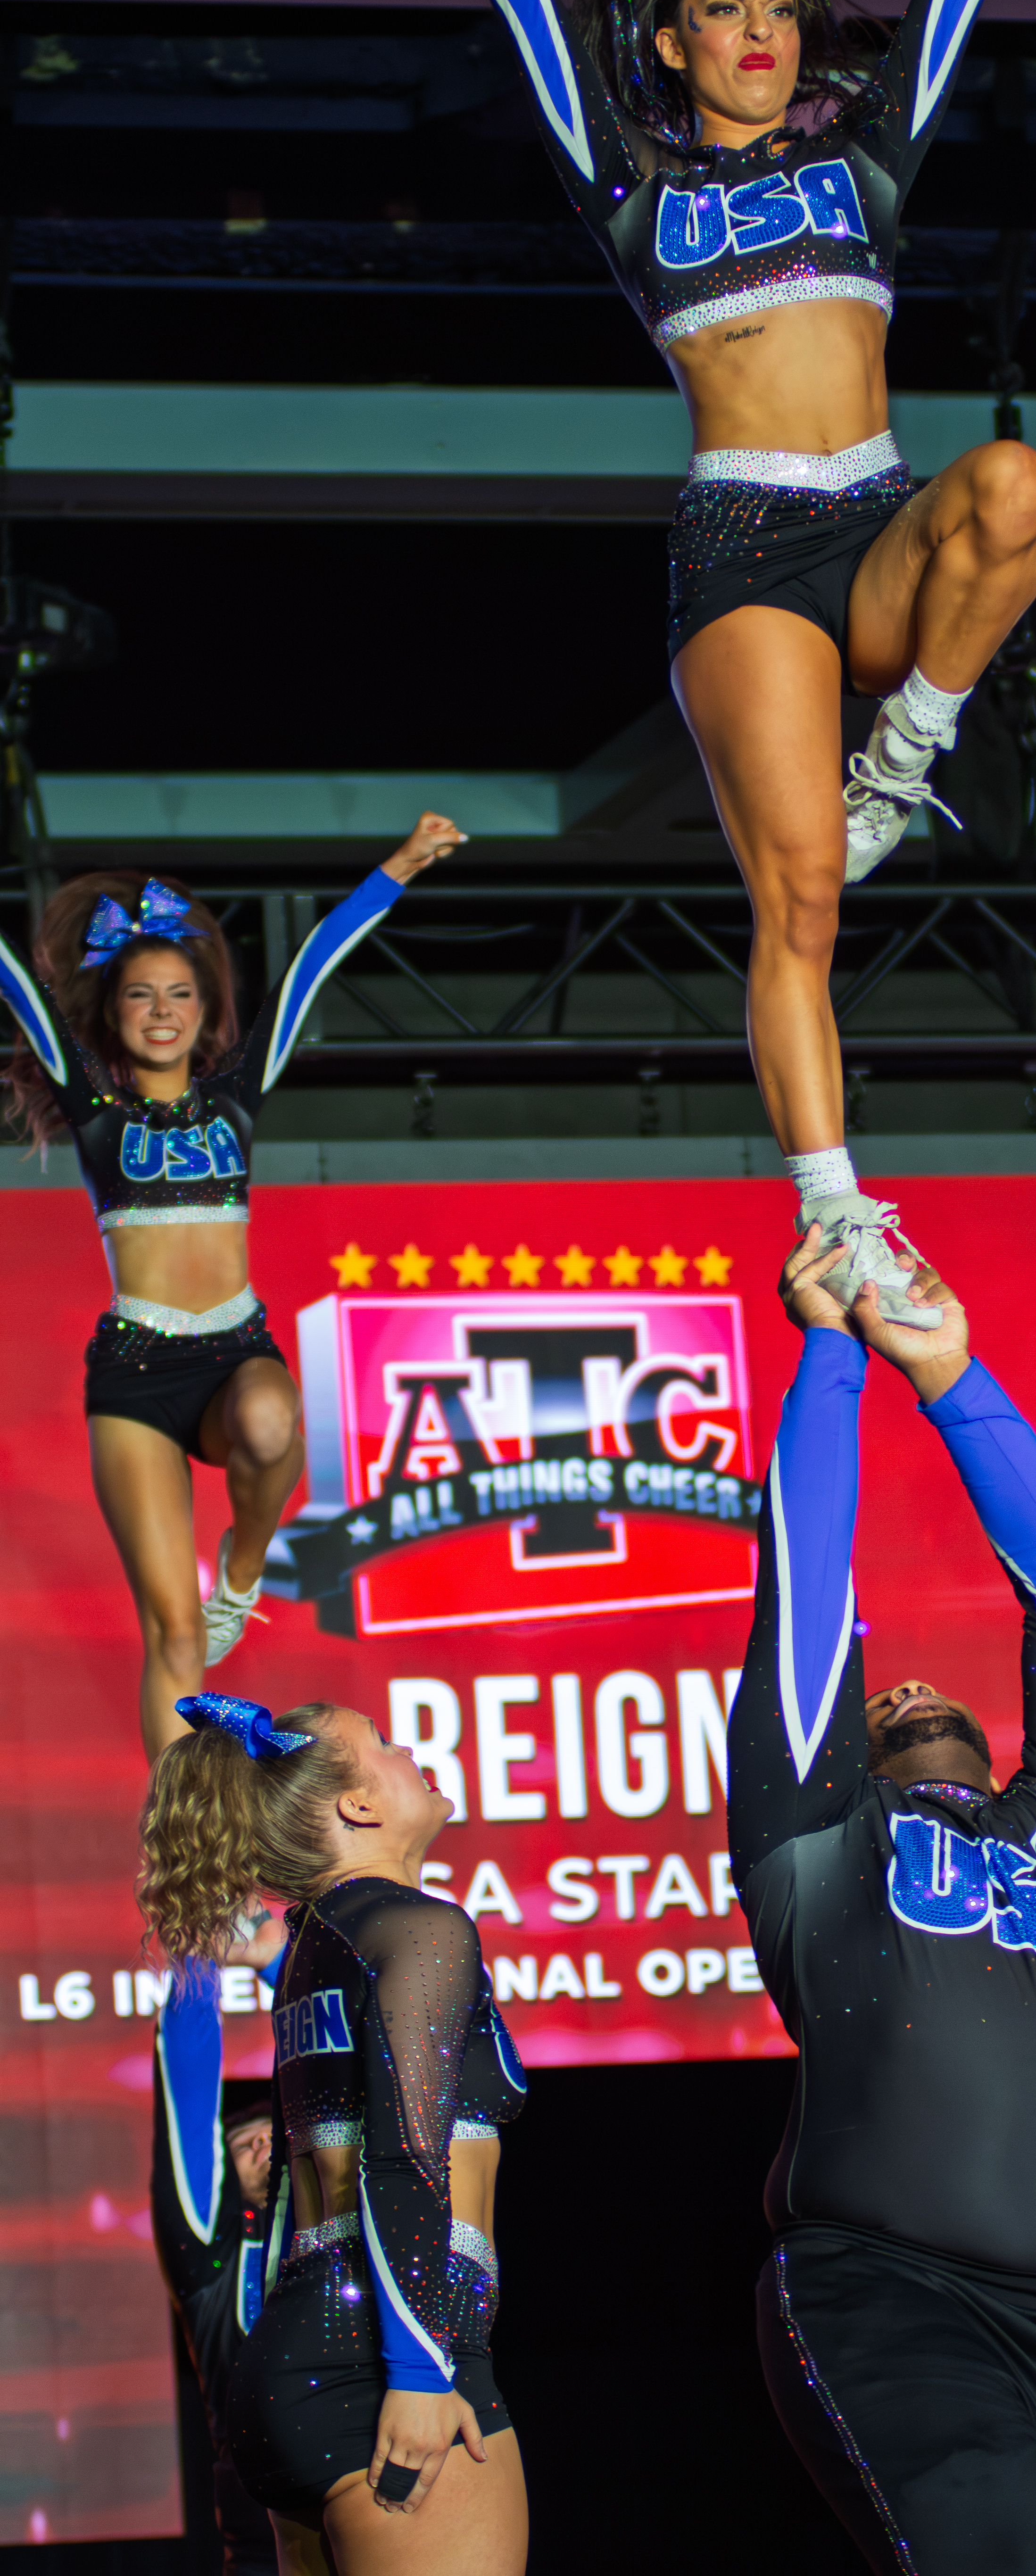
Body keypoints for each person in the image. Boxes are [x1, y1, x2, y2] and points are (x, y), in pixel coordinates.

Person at [378, 0, 1036, 1322]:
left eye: (781, 9)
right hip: (745, 551)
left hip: (886, 522)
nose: (763, 36)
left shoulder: (869, 158)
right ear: (669, 36)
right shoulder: (628, 186)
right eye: (725, 11)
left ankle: (905, 758)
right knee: (800, 904)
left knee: (1019, 487)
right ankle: (839, 1213)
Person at [727, 1231, 1036, 2576]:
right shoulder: (818, 1842)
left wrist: (954, 1378)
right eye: (876, 1706)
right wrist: (830, 1360)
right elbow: (809, 1608)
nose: (901, 1690)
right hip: (893, 2302)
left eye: (925, 1695)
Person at [0, 815, 465, 1760]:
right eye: (141, 995)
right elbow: (13, 979)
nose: (163, 1010)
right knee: (171, 1636)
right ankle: (182, 1854)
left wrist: (400, 867)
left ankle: (243, 1572)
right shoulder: (96, 1107)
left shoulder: (238, 1095)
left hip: (230, 1349)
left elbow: (310, 969)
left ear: (203, 1005)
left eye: (180, 992)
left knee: (269, 1421)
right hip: (135, 1369)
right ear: (113, 1012)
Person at [138, 1691, 528, 2576]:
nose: (410, 1750)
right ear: (356, 1806)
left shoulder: (316, 1947)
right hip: (394, 2366)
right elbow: (404, 2161)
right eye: (385, 1743)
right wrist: (424, 2377)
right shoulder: (420, 1928)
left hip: (290, 2371)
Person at [151, 1919, 288, 2576]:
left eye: (274, 2135)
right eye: (244, 2143)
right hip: (266, 2532)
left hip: (390, 2506)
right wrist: (196, 1968)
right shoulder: (210, 2263)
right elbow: (188, 2093)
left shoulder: (349, 2228)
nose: (264, 2145)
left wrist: (280, 1967)